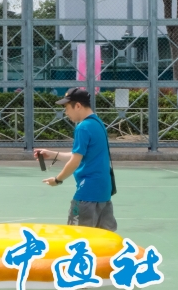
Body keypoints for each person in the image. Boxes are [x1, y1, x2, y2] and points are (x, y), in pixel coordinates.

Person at [34, 87, 117, 232]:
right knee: (103, 238)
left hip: (87, 193)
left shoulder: (83, 127)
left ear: (77, 106)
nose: (66, 113)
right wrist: (52, 154)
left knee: (77, 237)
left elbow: (75, 161)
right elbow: (80, 155)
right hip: (103, 192)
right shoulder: (98, 123)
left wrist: (58, 179)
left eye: (67, 108)